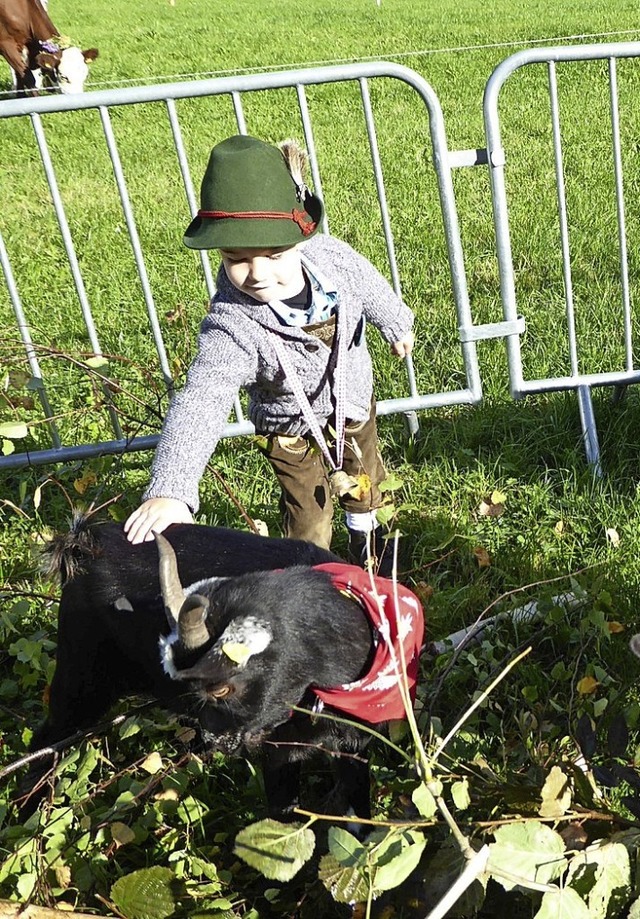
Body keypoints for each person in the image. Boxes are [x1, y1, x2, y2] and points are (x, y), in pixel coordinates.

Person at [124, 134, 414, 574]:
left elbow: (368, 284)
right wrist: (173, 486)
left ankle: (373, 553)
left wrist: (394, 321)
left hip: (352, 406)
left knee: (366, 486)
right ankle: (315, 578)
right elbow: (203, 397)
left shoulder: (332, 259)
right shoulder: (233, 323)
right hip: (290, 433)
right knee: (308, 518)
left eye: (275, 255)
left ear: (301, 239)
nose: (257, 274)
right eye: (235, 257)